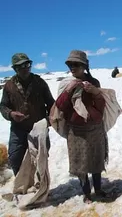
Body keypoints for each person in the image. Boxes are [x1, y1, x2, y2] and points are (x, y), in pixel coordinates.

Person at [55, 50, 108, 203]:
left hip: (95, 127)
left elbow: (101, 106)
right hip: (76, 130)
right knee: (81, 164)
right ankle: (86, 194)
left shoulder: (94, 82)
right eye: (70, 64)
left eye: (76, 64)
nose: (73, 67)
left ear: (84, 66)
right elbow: (60, 106)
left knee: (97, 160)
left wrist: (96, 92)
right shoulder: (66, 84)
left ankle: (98, 189)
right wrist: (68, 90)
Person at [0, 53, 54, 176]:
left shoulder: (39, 83)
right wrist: (11, 114)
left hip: (38, 128)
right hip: (18, 129)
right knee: (15, 158)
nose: (25, 68)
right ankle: (22, 188)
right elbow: (3, 106)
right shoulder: (9, 85)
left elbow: (51, 103)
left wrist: (48, 120)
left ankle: (41, 188)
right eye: (20, 66)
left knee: (40, 159)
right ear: (14, 69)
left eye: (27, 64)